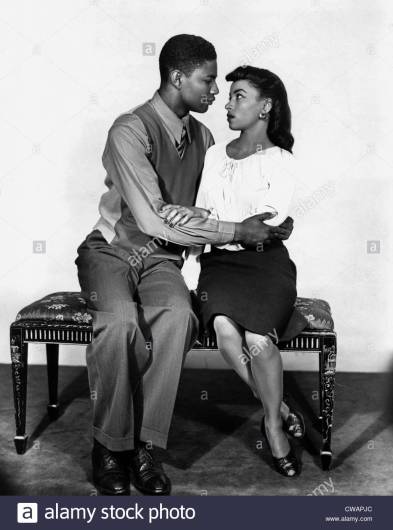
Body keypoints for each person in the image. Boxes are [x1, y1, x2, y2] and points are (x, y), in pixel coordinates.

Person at [75, 35, 294, 496]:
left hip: (164, 260)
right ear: (178, 78)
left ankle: (146, 449)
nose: (215, 92)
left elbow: (201, 210)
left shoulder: (206, 139)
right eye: (208, 81)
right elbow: (156, 218)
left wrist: (227, 219)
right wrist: (233, 231)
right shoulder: (128, 130)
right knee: (118, 323)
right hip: (114, 250)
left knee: (177, 317)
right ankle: (110, 446)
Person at [162, 66, 306, 477]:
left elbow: (269, 221)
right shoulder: (213, 155)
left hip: (266, 264)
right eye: (228, 96)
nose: (227, 104)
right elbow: (209, 214)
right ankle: (275, 406)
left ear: (267, 106)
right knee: (225, 332)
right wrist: (209, 222)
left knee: (259, 340)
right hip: (220, 265)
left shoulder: (280, 160)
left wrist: (218, 221)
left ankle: (273, 427)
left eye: (239, 96)